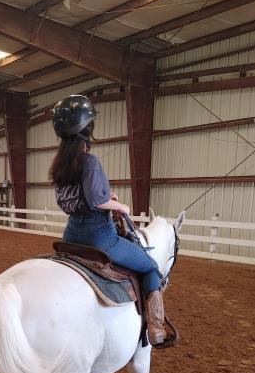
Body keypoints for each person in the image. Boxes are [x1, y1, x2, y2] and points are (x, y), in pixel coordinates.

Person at [49, 94, 169, 346]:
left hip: (71, 236)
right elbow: (96, 201)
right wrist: (120, 205)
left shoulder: (60, 164)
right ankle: (156, 325)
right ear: (88, 128)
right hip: (100, 238)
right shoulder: (89, 161)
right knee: (149, 266)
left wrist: (106, 195)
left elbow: (72, 198)